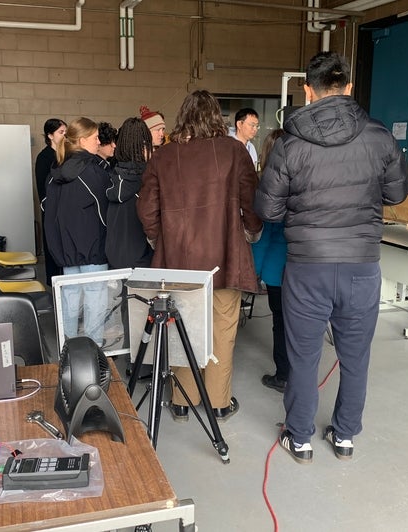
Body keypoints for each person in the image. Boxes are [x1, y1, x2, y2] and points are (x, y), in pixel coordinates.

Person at [254, 52, 408, 464]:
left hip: (307, 265)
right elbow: (396, 194)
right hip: (361, 264)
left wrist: (303, 213)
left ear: (307, 90)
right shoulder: (380, 137)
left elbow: (267, 210)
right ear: (350, 87)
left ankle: (300, 438)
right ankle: (344, 436)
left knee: (304, 356)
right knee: (355, 357)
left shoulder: (290, 143)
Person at [137, 89, 262, 423]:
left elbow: (146, 208)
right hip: (225, 256)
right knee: (223, 329)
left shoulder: (164, 156)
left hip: (179, 261)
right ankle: (219, 402)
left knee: (183, 328)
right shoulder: (235, 151)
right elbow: (251, 201)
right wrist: (252, 230)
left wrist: (157, 240)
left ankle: (182, 399)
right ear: (216, 116)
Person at [43, 117, 110, 346]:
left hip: (65, 249)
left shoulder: (55, 170)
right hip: (93, 248)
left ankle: (68, 347)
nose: (99, 141)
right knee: (95, 300)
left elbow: (48, 210)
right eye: (95, 137)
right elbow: (105, 213)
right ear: (82, 140)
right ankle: (94, 351)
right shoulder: (93, 171)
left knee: (69, 298)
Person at [251, 128, 288, 393]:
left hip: (277, 268)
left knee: (281, 324)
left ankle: (283, 375)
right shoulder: (306, 183)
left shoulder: (267, 188)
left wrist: (255, 270)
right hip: (305, 265)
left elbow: (264, 235)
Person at [106, 117, 154, 270]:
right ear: (144, 146)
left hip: (113, 257)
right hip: (142, 259)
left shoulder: (111, 176)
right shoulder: (147, 180)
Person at [35, 118, 67, 282]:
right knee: (53, 247)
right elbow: (42, 188)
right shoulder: (44, 157)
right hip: (51, 210)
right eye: (61, 132)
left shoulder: (64, 155)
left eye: (65, 132)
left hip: (64, 210)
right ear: (50, 135)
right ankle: (54, 284)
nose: (65, 136)